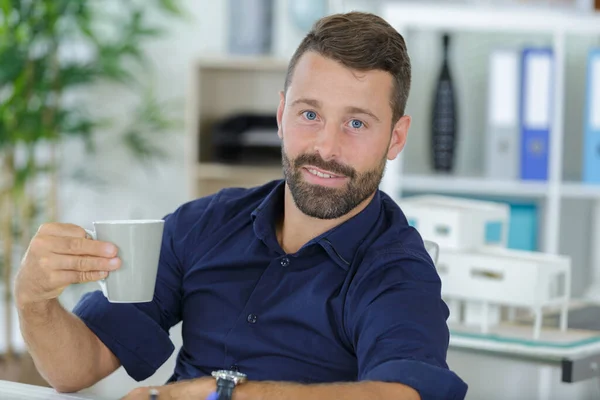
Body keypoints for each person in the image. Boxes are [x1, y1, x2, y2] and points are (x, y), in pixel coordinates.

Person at [14, 11, 468, 400]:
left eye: (356, 122)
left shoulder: (396, 268)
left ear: (397, 137)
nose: (326, 147)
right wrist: (34, 300)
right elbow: (77, 367)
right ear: (281, 116)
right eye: (310, 114)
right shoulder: (203, 224)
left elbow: (403, 394)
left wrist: (227, 391)